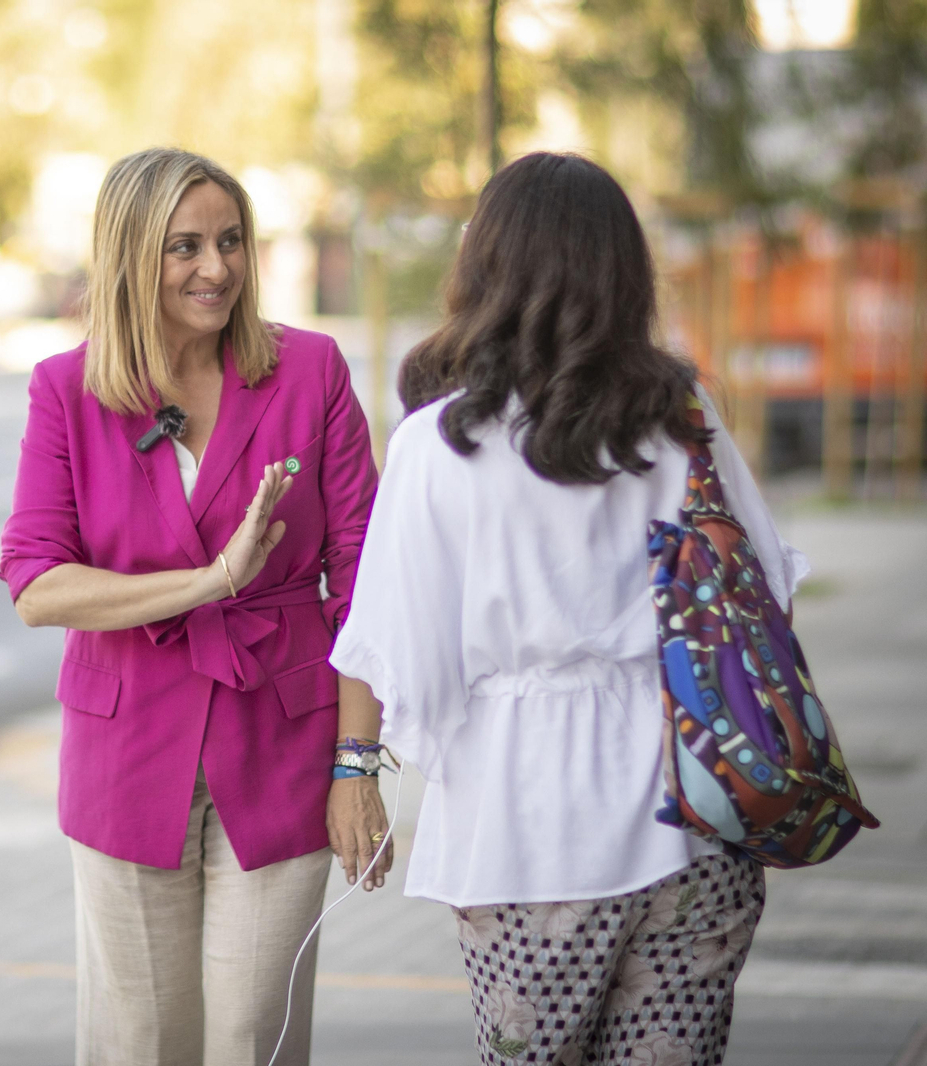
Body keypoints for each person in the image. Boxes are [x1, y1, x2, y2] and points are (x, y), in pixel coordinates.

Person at [331, 152, 803, 1065]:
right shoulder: (682, 416)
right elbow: (765, 593)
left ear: (486, 263)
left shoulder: (442, 443)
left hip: (528, 825)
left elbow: (395, 647)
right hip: (697, 807)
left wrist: (365, 769)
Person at [0, 147, 386, 1066]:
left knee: (255, 1037)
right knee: (141, 1039)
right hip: (125, 754)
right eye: (186, 247)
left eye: (231, 241)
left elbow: (367, 581)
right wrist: (211, 580)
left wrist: (358, 763)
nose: (217, 268)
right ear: (132, 256)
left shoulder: (311, 370)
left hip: (284, 747)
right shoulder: (67, 390)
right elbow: (37, 585)